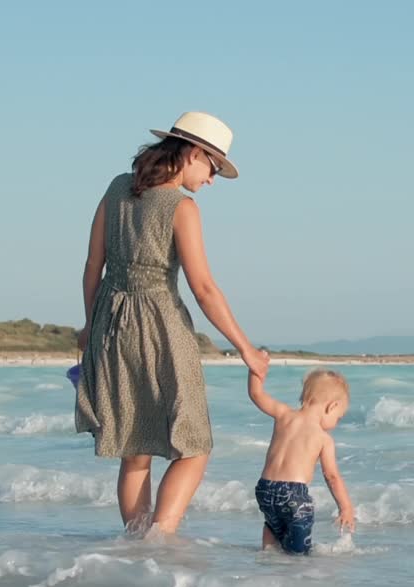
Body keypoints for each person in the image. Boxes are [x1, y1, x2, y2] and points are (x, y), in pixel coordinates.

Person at [75, 111, 269, 535]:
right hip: (162, 328)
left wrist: (90, 325)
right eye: (213, 167)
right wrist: (246, 349)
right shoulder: (183, 208)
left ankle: (135, 542)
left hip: (111, 322)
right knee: (194, 444)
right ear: (193, 153)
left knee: (135, 448)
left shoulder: (116, 189)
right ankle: (161, 538)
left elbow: (93, 265)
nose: (212, 179)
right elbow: (204, 289)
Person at [247, 367, 356, 554]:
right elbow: (332, 476)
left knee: (273, 525)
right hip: (294, 495)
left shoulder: (283, 414)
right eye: (338, 418)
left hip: (264, 489)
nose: (336, 424)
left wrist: (255, 369)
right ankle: (295, 569)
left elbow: (256, 394)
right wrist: (346, 508)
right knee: (299, 553)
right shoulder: (323, 439)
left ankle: (268, 553)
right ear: (332, 406)